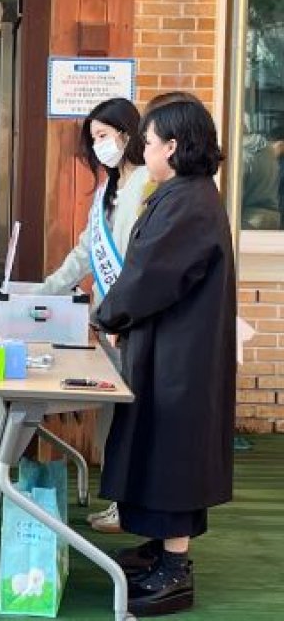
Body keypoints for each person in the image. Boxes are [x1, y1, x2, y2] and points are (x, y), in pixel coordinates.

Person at [95, 96, 236, 617]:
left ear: (172, 147)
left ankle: (174, 569)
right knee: (158, 447)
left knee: (172, 453)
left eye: (149, 142)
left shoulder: (187, 202)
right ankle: (161, 549)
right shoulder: (184, 195)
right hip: (172, 346)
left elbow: (149, 277)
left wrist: (106, 317)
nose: (144, 150)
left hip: (181, 354)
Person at [38, 97, 150, 534]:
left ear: (128, 133)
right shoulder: (107, 190)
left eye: (104, 135)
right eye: (94, 138)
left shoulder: (147, 184)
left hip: (135, 322)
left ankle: (133, 503)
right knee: (112, 416)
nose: (99, 145)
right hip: (109, 322)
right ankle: (120, 500)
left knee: (134, 417)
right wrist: (44, 291)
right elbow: (85, 252)